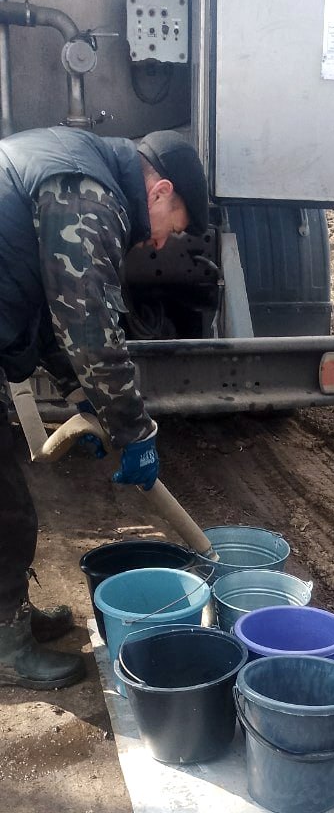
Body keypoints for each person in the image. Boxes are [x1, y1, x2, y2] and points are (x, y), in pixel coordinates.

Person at [0, 126, 208, 690]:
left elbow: (52, 317)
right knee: (7, 511)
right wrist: (135, 431)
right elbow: (89, 329)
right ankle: (4, 643)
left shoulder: (76, 164)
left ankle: (8, 620)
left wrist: (80, 399)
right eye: (174, 228)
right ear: (160, 191)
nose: (162, 244)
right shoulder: (87, 192)